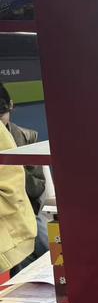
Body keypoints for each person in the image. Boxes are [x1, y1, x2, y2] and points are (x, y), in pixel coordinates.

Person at [0, 84, 48, 273]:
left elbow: (37, 187)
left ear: (11, 106)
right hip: (11, 222)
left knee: (46, 252)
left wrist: (20, 173)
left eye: (2, 114)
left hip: (27, 213)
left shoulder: (25, 136)